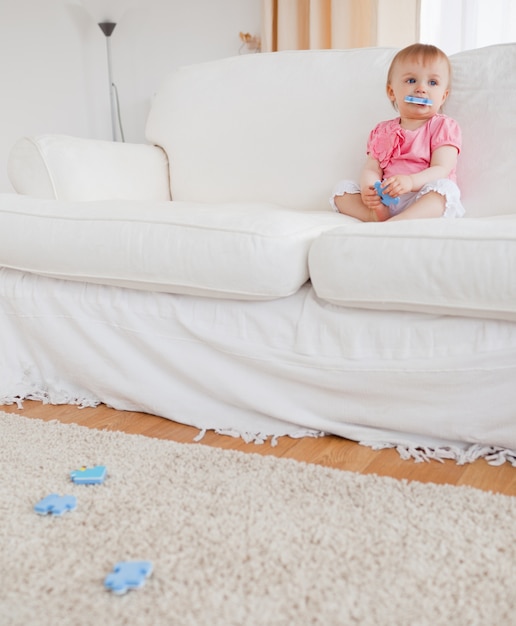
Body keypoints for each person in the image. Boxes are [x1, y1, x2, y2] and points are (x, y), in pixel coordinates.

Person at [330, 43, 465, 222]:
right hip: (387, 199)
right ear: (392, 92)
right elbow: (372, 167)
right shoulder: (382, 130)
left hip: (421, 196)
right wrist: (369, 189)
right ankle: (375, 214)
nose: (421, 89)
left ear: (443, 96)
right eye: (411, 81)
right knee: (341, 191)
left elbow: (441, 168)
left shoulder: (443, 126)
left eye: (432, 83)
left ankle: (401, 220)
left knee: (445, 190)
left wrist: (410, 182)